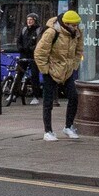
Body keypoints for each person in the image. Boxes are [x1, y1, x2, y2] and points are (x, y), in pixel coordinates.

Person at [36, 9, 85, 141]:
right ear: (66, 24)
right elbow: (40, 53)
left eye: (77, 25)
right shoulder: (52, 32)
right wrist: (45, 70)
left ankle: (68, 127)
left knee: (74, 97)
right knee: (48, 102)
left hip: (67, 71)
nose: (76, 28)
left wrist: (73, 66)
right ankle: (48, 131)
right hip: (51, 70)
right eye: (73, 25)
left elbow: (79, 51)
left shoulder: (77, 33)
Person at [16, 14, 44, 101]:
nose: (29, 21)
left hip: (34, 56)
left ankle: (35, 96)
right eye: (28, 19)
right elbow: (19, 40)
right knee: (19, 74)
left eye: (31, 19)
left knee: (34, 75)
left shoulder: (39, 30)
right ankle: (14, 94)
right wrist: (20, 47)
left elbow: (40, 43)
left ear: (35, 20)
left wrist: (31, 48)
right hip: (23, 54)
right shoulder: (24, 29)